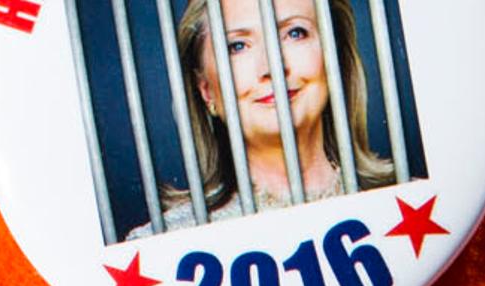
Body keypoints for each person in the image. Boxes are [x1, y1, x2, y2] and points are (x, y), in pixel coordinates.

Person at [161, 0, 397, 220]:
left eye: (295, 33)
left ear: (333, 58)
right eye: (238, 46)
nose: (272, 66)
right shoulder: (167, 244)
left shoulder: (414, 202)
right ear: (207, 90)